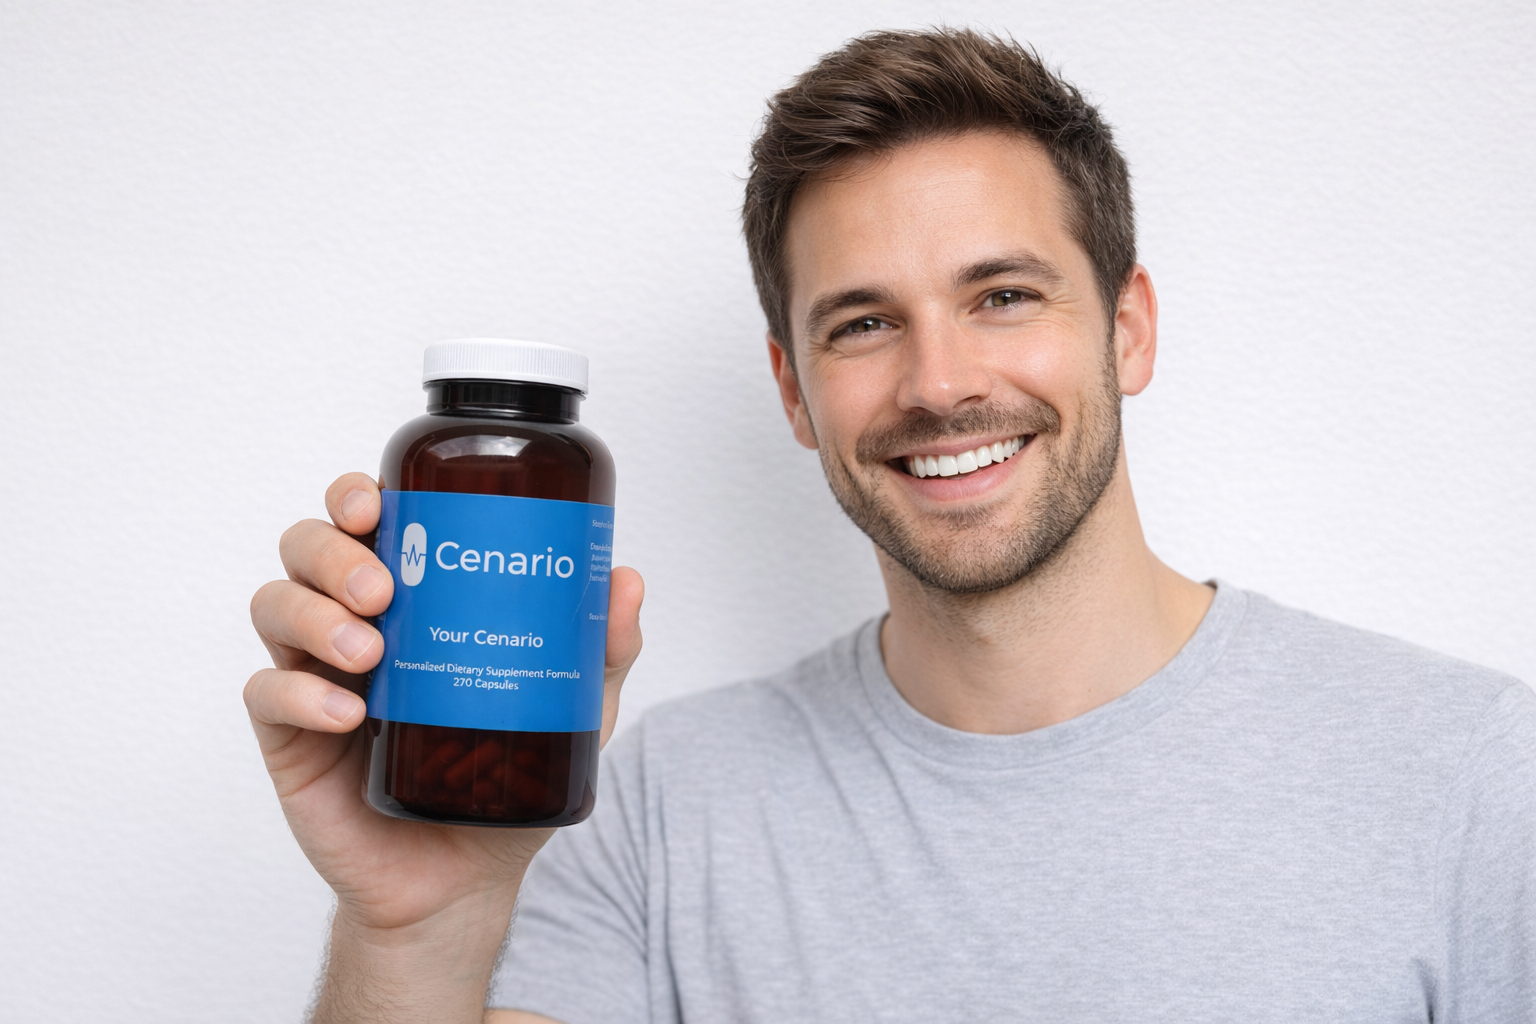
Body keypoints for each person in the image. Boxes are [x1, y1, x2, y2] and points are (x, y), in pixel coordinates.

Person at [246, 28, 1536, 1024]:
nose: (937, 383)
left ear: (1129, 327)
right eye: (862, 322)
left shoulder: (1478, 779)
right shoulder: (644, 811)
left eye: (1003, 294)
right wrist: (419, 929)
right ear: (794, 390)